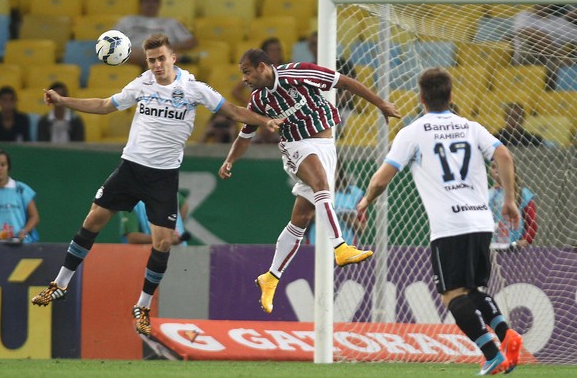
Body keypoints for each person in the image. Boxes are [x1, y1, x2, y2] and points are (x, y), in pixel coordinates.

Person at [30, 33, 282, 337]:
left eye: (162, 58)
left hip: (163, 177)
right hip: (131, 168)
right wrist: (62, 100)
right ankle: (60, 284)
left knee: (162, 242)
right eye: (151, 60)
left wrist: (264, 120)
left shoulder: (193, 89)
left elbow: (233, 110)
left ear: (173, 57)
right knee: (93, 220)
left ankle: (143, 306)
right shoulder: (141, 84)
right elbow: (104, 105)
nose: (157, 65)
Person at [356, 67, 523, 375]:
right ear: (451, 95)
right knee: (472, 290)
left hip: (449, 225)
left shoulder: (413, 132)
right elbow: (505, 156)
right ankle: (507, 335)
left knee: (451, 295)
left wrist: (367, 199)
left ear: (421, 98)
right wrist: (510, 199)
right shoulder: (471, 127)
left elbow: (382, 178)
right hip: (481, 222)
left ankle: (491, 353)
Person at [218, 48, 400, 314]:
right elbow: (245, 135)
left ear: (262, 67)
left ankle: (271, 276)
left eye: (246, 72)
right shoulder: (258, 101)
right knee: (322, 186)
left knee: (301, 219)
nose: (244, 79)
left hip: (325, 145)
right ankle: (340, 247)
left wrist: (380, 103)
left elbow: (344, 81)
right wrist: (230, 160)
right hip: (296, 148)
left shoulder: (299, 72)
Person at [114, 0, 197, 68]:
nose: (150, 4)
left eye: (154, 1)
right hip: (133, 56)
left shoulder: (171, 22)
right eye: (147, 1)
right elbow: (111, 41)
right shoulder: (127, 21)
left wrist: (169, 47)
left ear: (159, 3)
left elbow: (190, 41)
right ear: (140, 3)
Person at [512, 4, 577, 89]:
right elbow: (526, 32)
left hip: (554, 60)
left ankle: (552, 95)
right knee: (532, 35)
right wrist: (560, 53)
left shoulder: (558, 21)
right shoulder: (524, 15)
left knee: (561, 63)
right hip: (530, 58)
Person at [306, 164, 365, 246]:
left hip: (346, 247)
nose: (327, 173)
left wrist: (349, 219)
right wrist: (317, 215)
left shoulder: (354, 194)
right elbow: (301, 221)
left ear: (339, 170)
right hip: (314, 246)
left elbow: (362, 229)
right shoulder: (308, 191)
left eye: (331, 169)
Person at [489, 160, 537, 249]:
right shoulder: (486, 194)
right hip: (491, 248)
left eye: (500, 166)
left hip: (516, 250)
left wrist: (524, 241)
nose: (496, 170)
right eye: (493, 167)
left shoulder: (523, 193)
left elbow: (532, 224)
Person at [120, 195, 190, 246]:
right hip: (154, 256)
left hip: (180, 253)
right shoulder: (131, 201)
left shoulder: (168, 190)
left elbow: (184, 204)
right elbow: (132, 238)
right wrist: (164, 239)